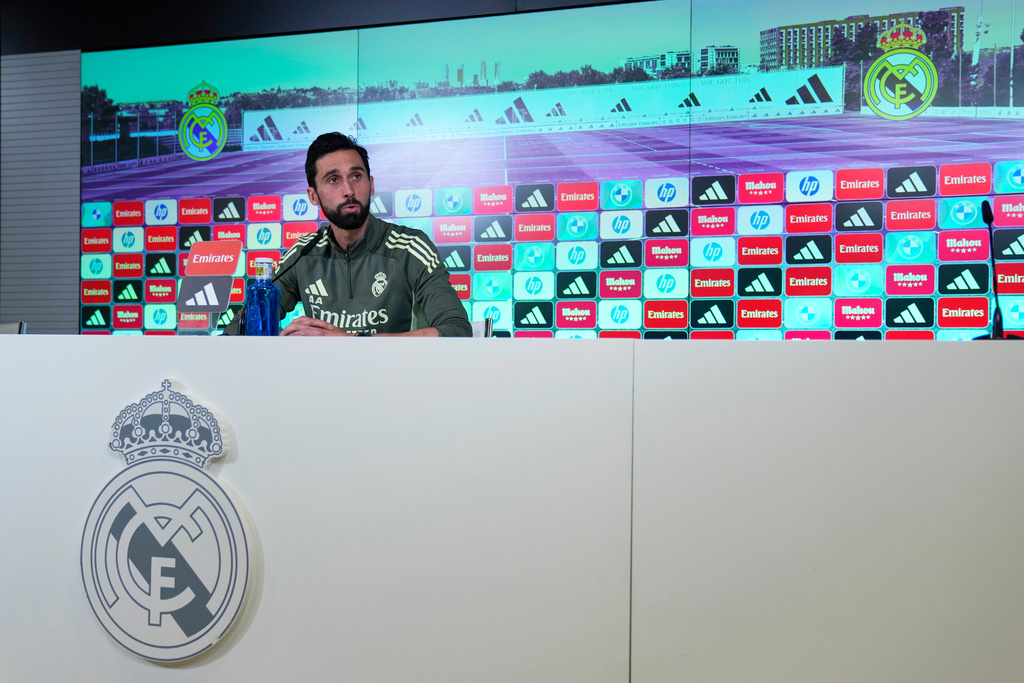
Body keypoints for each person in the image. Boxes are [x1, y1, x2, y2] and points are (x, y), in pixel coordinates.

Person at [229, 132, 471, 337]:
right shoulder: (303, 253)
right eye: (333, 180)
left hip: (395, 383)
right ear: (313, 196)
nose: (348, 190)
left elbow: (457, 330)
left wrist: (350, 342)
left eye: (356, 176)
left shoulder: (410, 247)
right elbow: (238, 331)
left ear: (371, 184)